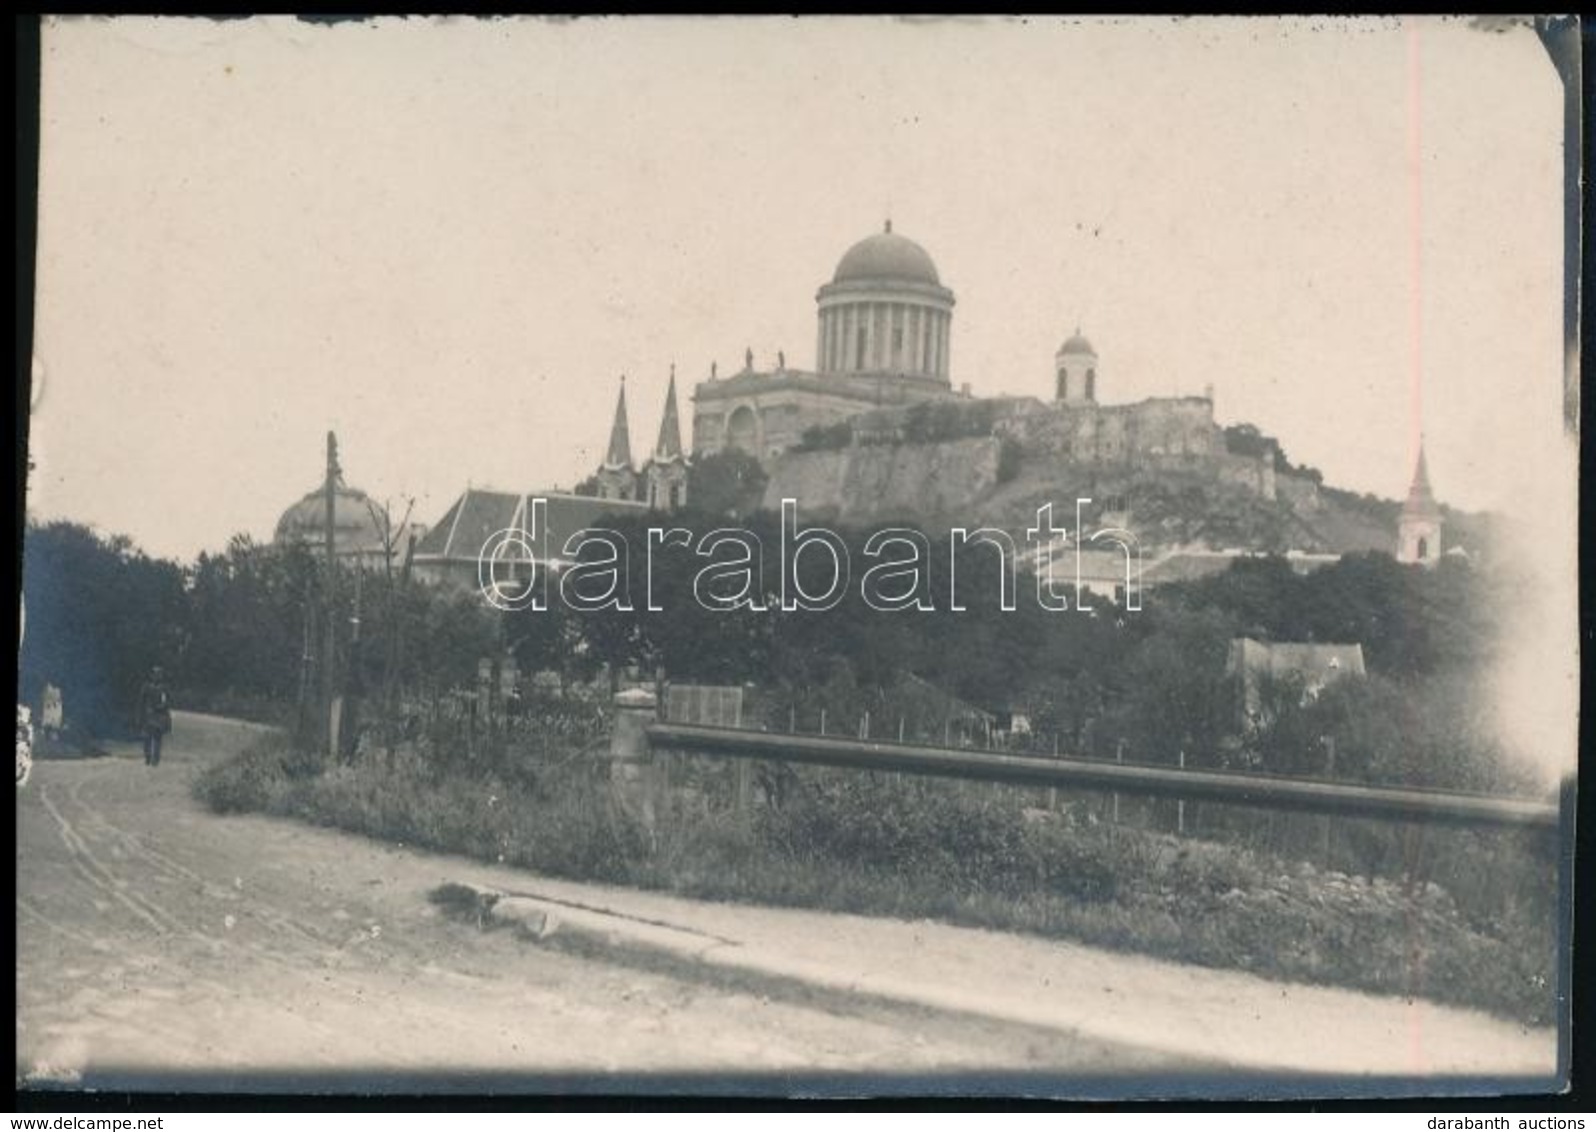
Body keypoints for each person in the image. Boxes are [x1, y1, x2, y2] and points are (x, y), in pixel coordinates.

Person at [136, 666, 172, 767]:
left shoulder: (164, 688)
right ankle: (147, 757)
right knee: (146, 737)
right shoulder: (146, 687)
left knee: (157, 738)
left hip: (159, 716)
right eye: (155, 674)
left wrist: (160, 707)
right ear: (151, 675)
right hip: (147, 716)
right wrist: (140, 715)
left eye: (159, 674)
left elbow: (167, 702)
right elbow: (141, 702)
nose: (157, 676)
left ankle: (155, 759)